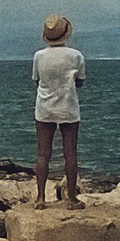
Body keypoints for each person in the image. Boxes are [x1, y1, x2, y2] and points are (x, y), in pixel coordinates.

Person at [32, 14, 86, 208]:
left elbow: (37, 80)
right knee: (70, 153)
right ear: (66, 34)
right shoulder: (75, 55)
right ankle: (71, 198)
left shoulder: (39, 56)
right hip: (68, 107)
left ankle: (40, 199)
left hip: (44, 107)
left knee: (42, 154)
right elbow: (80, 82)